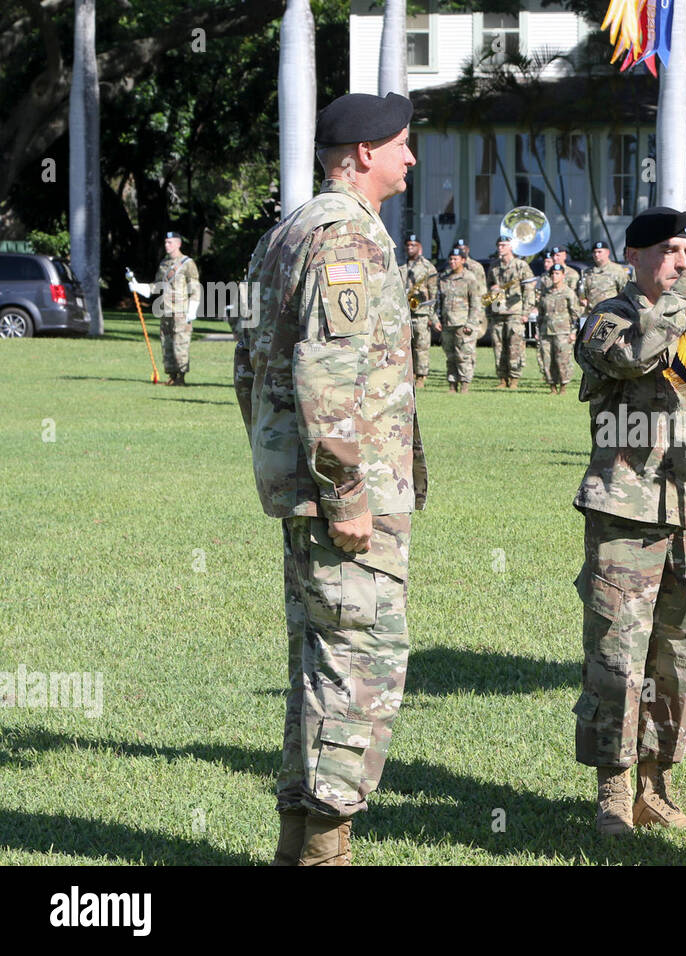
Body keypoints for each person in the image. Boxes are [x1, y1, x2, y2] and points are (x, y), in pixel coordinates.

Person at [234, 91, 427, 866]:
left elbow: (250, 368)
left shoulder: (293, 229)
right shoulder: (345, 237)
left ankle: (298, 848)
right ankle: (324, 853)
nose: (410, 157)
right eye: (401, 144)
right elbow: (325, 374)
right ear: (360, 156)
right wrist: (345, 495)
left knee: (321, 665)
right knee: (359, 667)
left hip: (310, 489)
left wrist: (287, 470)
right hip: (346, 500)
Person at [572, 206, 686, 835]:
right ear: (636, 256)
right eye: (671, 251)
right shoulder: (609, 314)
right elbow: (634, 354)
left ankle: (657, 783)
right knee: (618, 654)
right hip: (626, 509)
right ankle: (614, 788)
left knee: (677, 655)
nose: (683, 260)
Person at [129, 231, 200, 386]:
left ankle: (181, 377)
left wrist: (192, 309)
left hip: (181, 311)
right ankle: (172, 375)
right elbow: (156, 286)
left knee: (180, 345)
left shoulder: (187, 263)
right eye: (166, 242)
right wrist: (137, 286)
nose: (167, 245)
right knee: (166, 345)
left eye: (170, 242)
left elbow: (195, 288)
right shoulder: (164, 264)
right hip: (165, 310)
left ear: (178, 244)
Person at [486, 235, 535, 389]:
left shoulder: (521, 266)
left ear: (511, 247)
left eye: (504, 245)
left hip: (515, 312)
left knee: (515, 346)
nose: (501, 248)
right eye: (499, 245)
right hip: (498, 311)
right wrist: (491, 294)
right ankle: (502, 378)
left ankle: (514, 378)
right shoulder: (494, 266)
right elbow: (488, 287)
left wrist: (526, 312)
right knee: (498, 346)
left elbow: (529, 290)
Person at [437, 247, 483, 392]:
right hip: (447, 322)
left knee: (463, 355)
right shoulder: (444, 278)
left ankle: (464, 384)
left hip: (463, 324)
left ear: (463, 260)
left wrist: (471, 323)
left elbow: (476, 303)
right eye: (450, 259)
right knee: (450, 356)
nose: (452, 262)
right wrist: (436, 319)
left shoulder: (469, 278)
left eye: (456, 259)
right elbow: (438, 301)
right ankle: (452, 384)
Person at [536, 262, 580, 395]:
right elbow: (541, 314)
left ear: (562, 275)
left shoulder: (568, 293)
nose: (554, 277)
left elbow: (575, 315)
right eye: (552, 274)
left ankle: (563, 386)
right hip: (546, 331)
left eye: (557, 274)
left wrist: (573, 332)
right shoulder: (546, 293)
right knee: (547, 360)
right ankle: (552, 386)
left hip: (563, 332)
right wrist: (538, 331)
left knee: (562, 360)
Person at [403, 234, 438, 387]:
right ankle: (410, 373)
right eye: (408, 245)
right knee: (406, 345)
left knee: (421, 345)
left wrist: (432, 315)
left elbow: (434, 293)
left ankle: (421, 376)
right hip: (405, 312)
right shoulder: (401, 266)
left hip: (421, 312)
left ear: (420, 247)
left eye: (413, 245)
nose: (410, 248)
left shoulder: (428, 267)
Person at [578, 240, 628, 316]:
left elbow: (625, 294)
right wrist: (582, 299)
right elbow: (583, 292)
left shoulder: (617, 270)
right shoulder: (588, 272)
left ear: (608, 252)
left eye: (599, 252)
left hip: (610, 314)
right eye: (594, 252)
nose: (596, 255)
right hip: (592, 314)